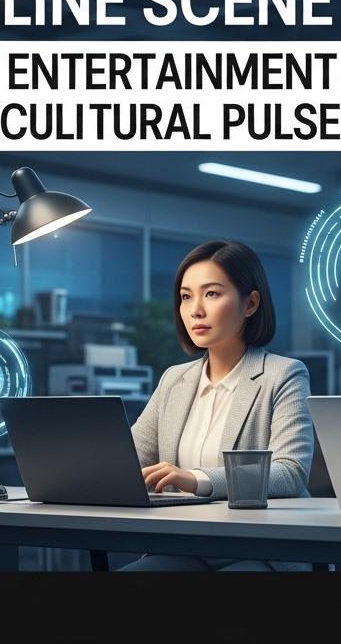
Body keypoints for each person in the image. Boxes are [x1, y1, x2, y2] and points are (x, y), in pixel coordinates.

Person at [120, 240, 313, 571]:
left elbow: (290, 472)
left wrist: (194, 479)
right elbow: (128, 459)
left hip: (258, 549)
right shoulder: (174, 380)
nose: (195, 309)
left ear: (250, 303)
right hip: (183, 546)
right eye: (185, 296)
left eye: (211, 294)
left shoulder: (283, 375)